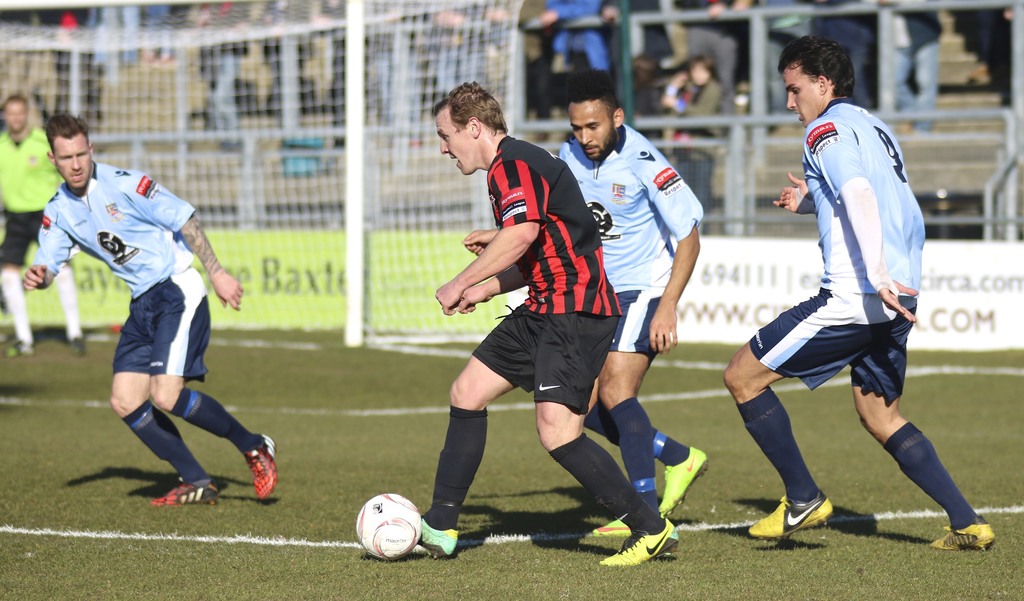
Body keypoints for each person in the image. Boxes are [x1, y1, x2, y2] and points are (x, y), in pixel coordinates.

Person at [721, 36, 995, 551]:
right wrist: (809, 200)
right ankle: (968, 523)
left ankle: (803, 497)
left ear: (823, 85)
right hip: (899, 297)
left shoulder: (824, 129)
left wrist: (874, 273)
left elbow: (860, 193)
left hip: (858, 296)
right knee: (880, 415)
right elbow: (870, 196)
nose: (789, 102)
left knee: (742, 377)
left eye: (794, 89)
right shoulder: (873, 125)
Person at [422, 82, 675, 566]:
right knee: (467, 392)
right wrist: (480, 290)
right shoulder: (512, 165)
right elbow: (535, 252)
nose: (442, 148)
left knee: (558, 432)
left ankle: (649, 527)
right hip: (544, 304)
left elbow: (520, 235)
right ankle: (442, 524)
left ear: (473, 127)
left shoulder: (513, 164)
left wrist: (458, 282)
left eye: (445, 135)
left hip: (575, 311)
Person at [24, 113, 278, 506]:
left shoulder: (126, 185)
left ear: (91, 150)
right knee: (125, 399)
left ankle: (254, 445)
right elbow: (50, 264)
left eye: (80, 154)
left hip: (177, 290)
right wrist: (40, 275)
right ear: (52, 159)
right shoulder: (58, 210)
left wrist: (218, 273)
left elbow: (185, 218)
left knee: (166, 395)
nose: (75, 164)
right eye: (65, 157)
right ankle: (196, 480)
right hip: (143, 302)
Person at [561, 69, 708, 537]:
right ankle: (679, 458)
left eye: (594, 127)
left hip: (644, 287)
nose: (584, 138)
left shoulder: (646, 161)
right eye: (577, 128)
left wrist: (667, 305)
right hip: (596, 291)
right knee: (574, 410)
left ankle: (644, 515)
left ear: (616, 117)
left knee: (617, 393)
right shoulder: (568, 154)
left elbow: (688, 237)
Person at [0, 94, 83, 357]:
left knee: (60, 269)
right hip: (14, 217)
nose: (15, 118)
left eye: (19, 112)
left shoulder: (41, 142)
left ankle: (75, 332)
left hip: (44, 215)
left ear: (26, 114)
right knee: (9, 273)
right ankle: (24, 338)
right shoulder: (1, 145)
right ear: (5, 116)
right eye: (10, 113)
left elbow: (67, 169)